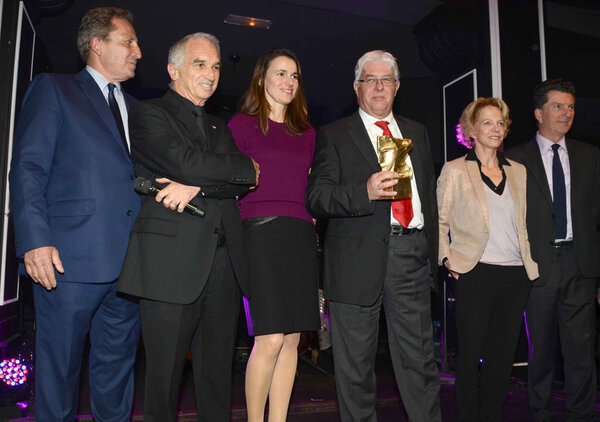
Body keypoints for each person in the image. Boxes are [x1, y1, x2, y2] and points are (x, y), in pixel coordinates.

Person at [116, 32, 258, 422]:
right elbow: (196, 165)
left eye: (215, 66)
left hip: (224, 264)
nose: (211, 74)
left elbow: (246, 177)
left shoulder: (219, 127)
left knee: (216, 379)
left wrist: (198, 182)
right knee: (162, 382)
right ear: (172, 69)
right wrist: (226, 172)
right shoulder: (148, 114)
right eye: (200, 64)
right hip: (169, 265)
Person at [9, 7, 141, 421]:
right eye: (128, 42)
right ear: (97, 45)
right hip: (67, 263)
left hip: (131, 266)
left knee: (116, 378)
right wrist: (34, 241)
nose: (139, 50)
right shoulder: (54, 89)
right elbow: (28, 168)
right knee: (59, 377)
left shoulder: (140, 110)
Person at [306, 50, 441, 422]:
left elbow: (427, 195)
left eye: (386, 80)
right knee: (355, 373)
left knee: (420, 366)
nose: (378, 86)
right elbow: (316, 197)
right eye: (370, 80)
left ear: (397, 87)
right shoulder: (334, 135)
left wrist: (432, 256)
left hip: (410, 258)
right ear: (356, 87)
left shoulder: (416, 132)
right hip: (354, 261)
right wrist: (361, 191)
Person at [228, 48, 320, 422]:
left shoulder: (308, 132)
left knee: (293, 340)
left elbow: (310, 185)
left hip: (299, 234)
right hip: (258, 234)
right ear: (261, 79)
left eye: (294, 76)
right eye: (281, 74)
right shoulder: (240, 125)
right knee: (268, 337)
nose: (288, 82)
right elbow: (227, 184)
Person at [437, 97, 538, 421]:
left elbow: (528, 223)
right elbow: (439, 222)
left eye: (500, 123)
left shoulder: (519, 171)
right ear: (471, 130)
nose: (495, 129)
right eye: (487, 123)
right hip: (474, 273)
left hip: (515, 276)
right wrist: (447, 260)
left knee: (501, 359)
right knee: (469, 357)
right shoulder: (454, 169)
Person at [507, 79, 600, 422]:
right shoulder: (516, 159)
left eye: (571, 107)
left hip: (581, 263)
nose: (566, 113)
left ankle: (582, 414)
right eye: (558, 106)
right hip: (539, 266)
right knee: (541, 348)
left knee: (581, 349)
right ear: (538, 113)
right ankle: (541, 411)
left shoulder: (590, 155)